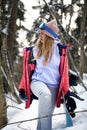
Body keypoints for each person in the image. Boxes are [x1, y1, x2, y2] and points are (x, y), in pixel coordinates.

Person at [18, 19, 76, 130]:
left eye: (42, 33)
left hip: (54, 86)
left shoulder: (60, 51)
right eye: (40, 33)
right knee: (45, 95)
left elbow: (63, 72)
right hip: (37, 82)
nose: (40, 35)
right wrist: (22, 88)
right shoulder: (34, 50)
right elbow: (26, 71)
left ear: (49, 35)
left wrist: (66, 90)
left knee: (45, 115)